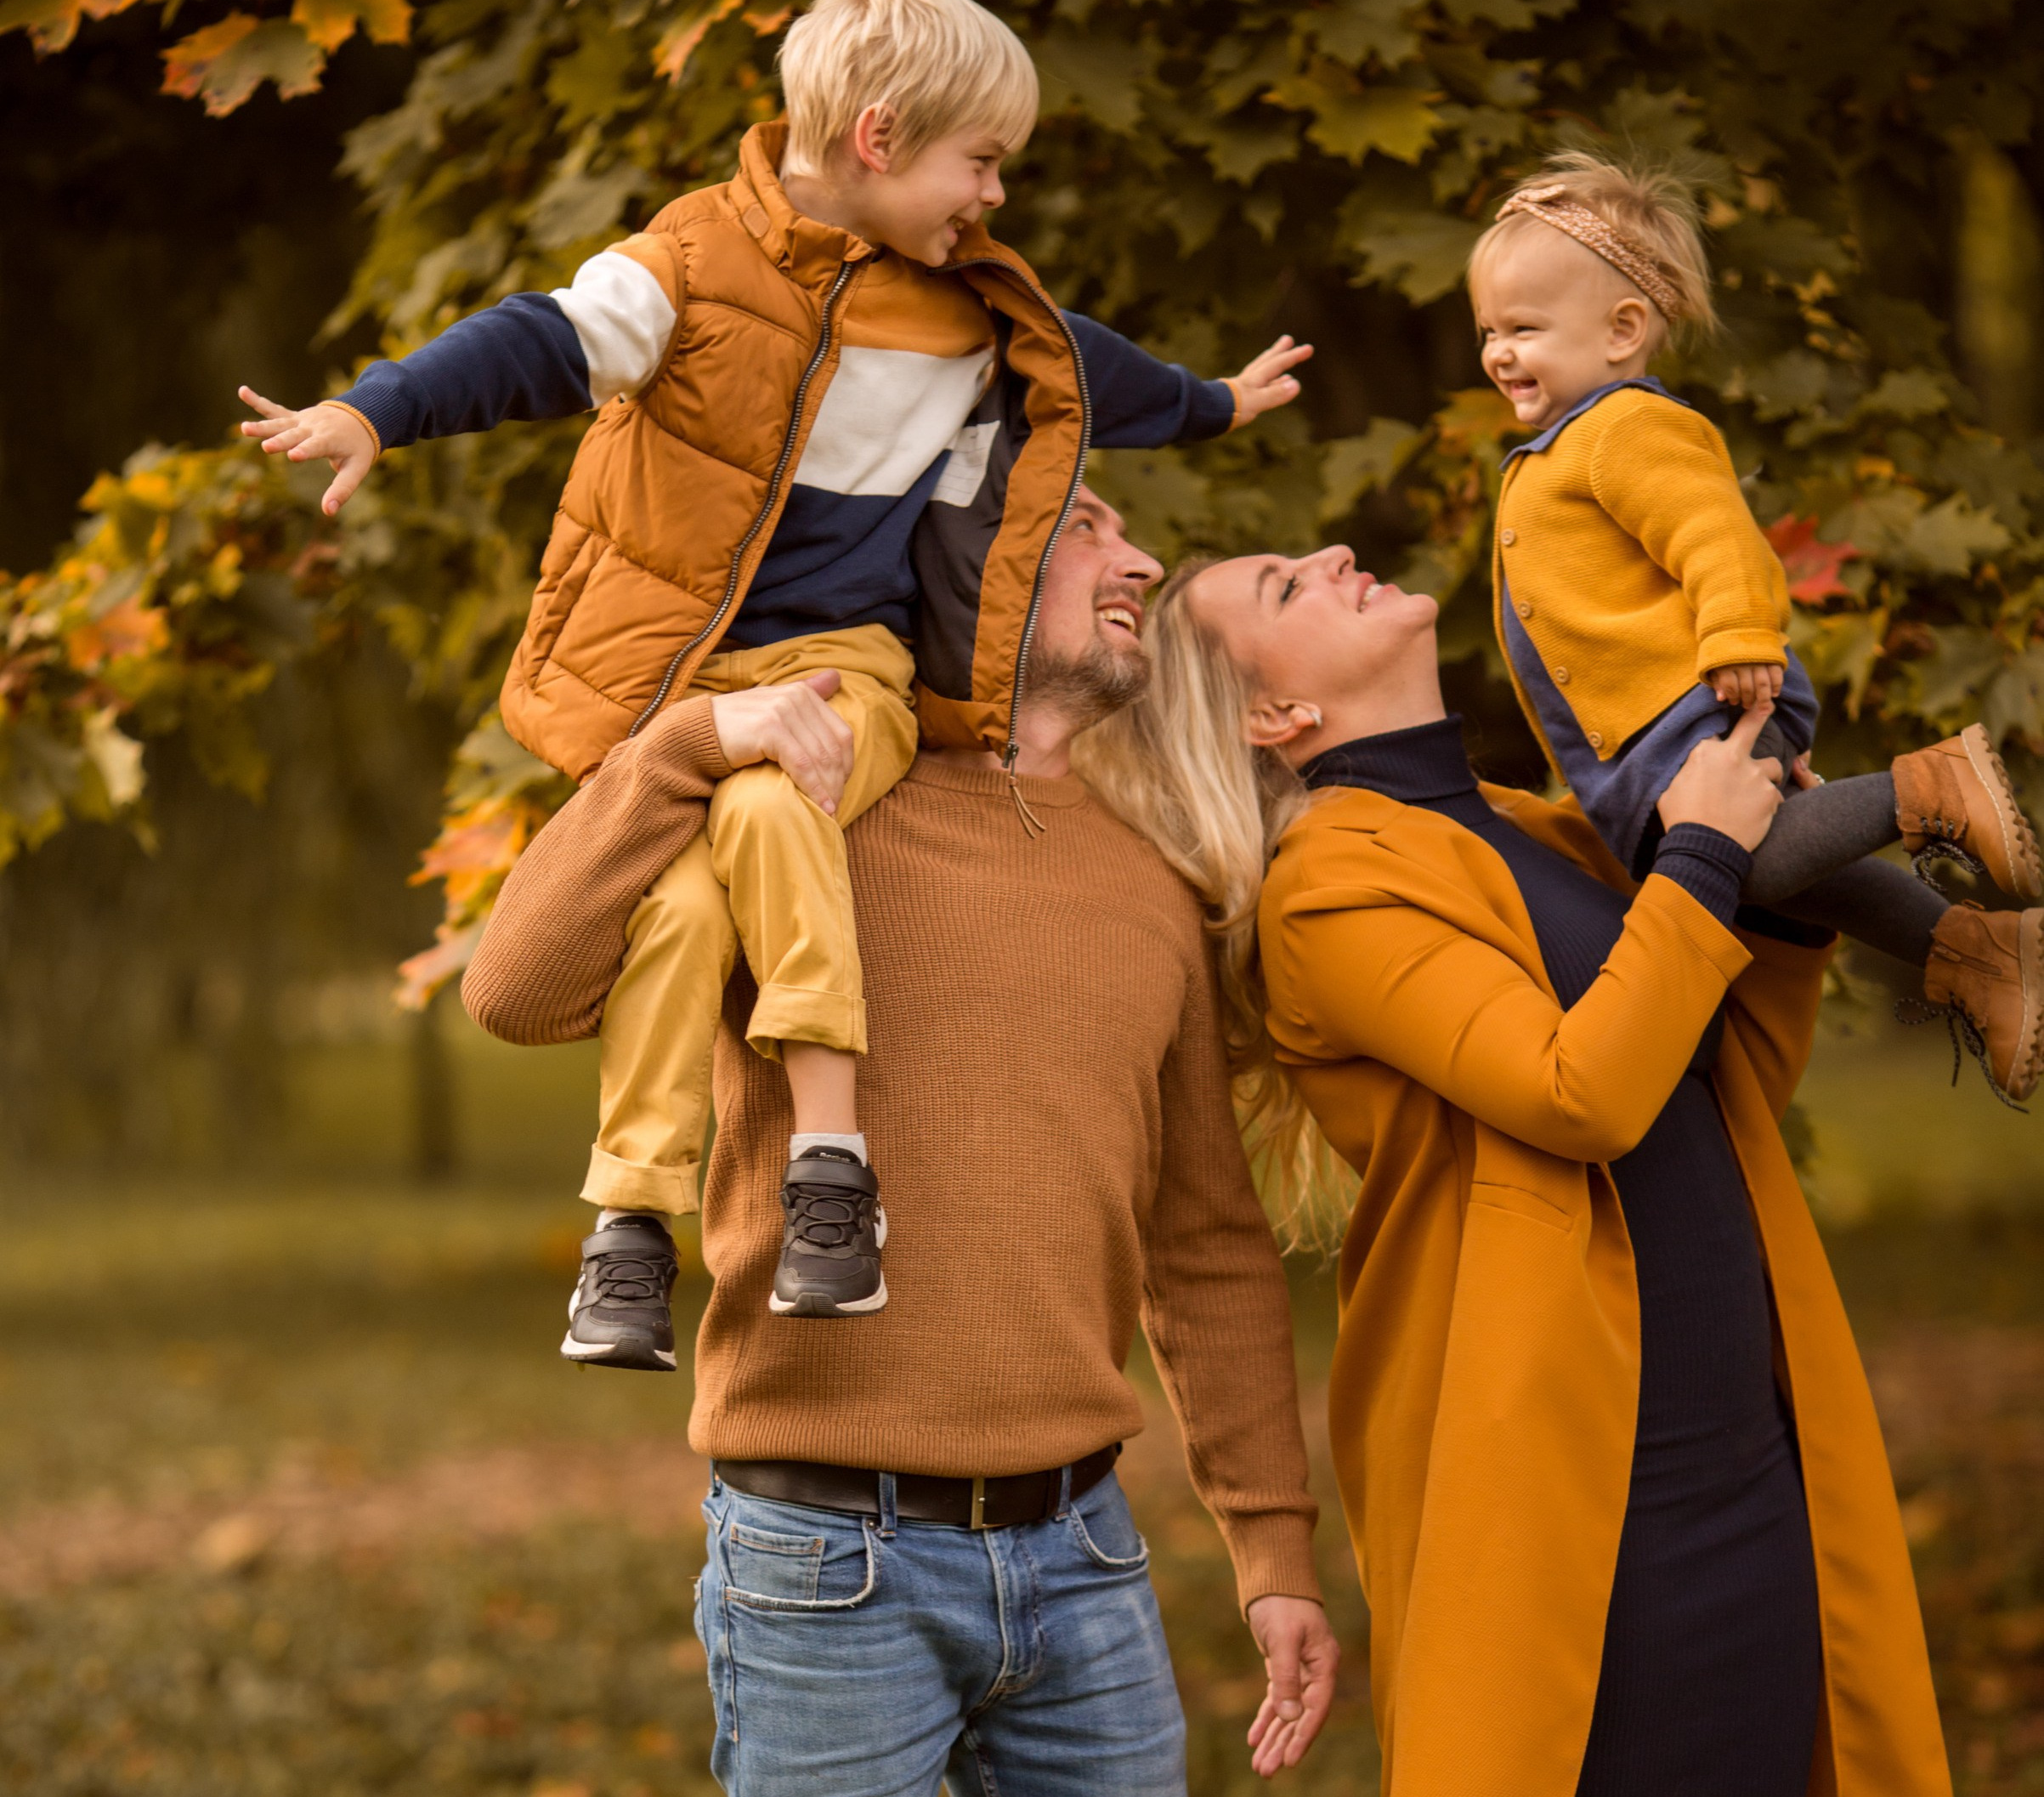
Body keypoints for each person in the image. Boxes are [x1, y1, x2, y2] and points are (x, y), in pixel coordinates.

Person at [235, 0, 1310, 1345]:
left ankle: (826, 1168)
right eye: (979, 163)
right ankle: (630, 1222)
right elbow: (541, 340)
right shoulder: (684, 265)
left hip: (843, 665)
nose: (992, 198)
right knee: (680, 910)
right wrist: (379, 411)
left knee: (771, 799)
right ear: (877, 139)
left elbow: (1085, 368)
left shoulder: (965, 310)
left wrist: (1216, 403)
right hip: (689, 686)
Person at [460, 486, 1340, 1794]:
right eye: (1086, 525)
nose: (1139, 561)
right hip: (825, 1563)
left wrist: (1272, 1552)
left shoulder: (1152, 879)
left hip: (1086, 1554)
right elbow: (517, 994)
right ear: (964, 560)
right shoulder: (807, 796)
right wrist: (688, 742)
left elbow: (1204, 1243)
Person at [1076, 545, 1951, 1797]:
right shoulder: (1327, 891)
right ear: (1278, 718)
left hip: (1742, 1439)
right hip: (1582, 1484)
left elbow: (1714, 1069)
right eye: (1285, 589)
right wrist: (1701, 855)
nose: (1331, 553)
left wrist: (1774, 892)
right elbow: (1575, 1093)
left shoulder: (1530, 823)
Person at [1469, 150, 2043, 1098]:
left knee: (1749, 859)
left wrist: (1737, 638)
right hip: (1634, 746)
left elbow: (1714, 534)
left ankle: (1930, 789)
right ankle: (1979, 955)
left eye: (1522, 328)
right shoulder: (1563, 445)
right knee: (1757, 878)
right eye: (1487, 329)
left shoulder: (1625, 428)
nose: (1496, 352)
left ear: (1622, 331)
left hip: (1688, 705)